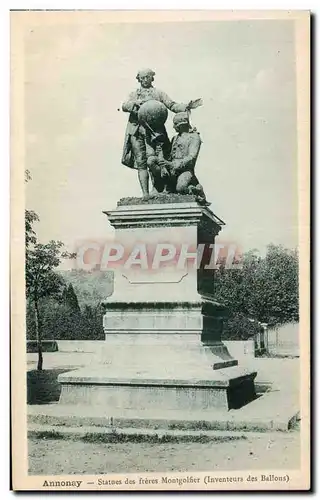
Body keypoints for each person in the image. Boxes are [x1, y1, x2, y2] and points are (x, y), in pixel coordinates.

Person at [121, 68, 196, 199]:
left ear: (152, 78)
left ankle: (159, 188)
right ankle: (145, 193)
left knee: (157, 160)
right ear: (138, 79)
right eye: (142, 77)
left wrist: (185, 107)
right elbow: (124, 106)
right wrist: (135, 104)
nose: (145, 80)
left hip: (155, 131)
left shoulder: (158, 93)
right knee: (141, 162)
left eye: (148, 77)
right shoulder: (134, 94)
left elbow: (171, 105)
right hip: (136, 130)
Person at [149, 112, 209, 205]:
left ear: (182, 124)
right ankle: (159, 187)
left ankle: (196, 190)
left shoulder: (194, 137)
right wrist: (159, 150)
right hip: (171, 169)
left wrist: (172, 164)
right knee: (151, 160)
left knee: (180, 188)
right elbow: (168, 154)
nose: (173, 127)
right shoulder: (175, 138)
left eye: (175, 124)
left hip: (185, 171)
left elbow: (191, 157)